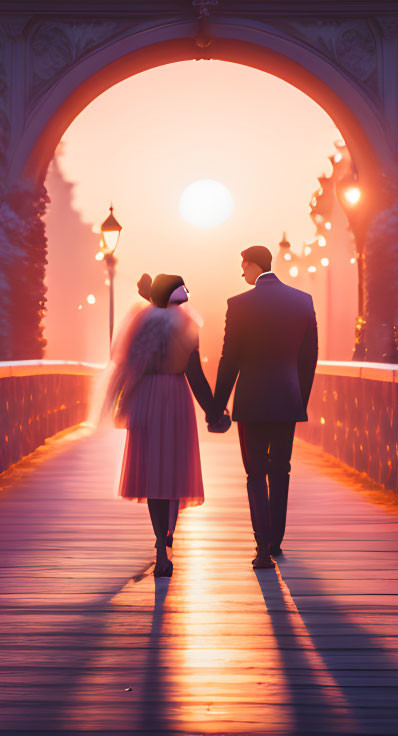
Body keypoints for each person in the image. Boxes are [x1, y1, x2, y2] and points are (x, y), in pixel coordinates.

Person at [103, 272, 224, 577]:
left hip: (147, 398)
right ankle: (169, 539)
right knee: (174, 472)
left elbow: (127, 365)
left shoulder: (141, 322)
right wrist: (212, 410)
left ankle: (158, 540)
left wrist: (121, 401)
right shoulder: (185, 324)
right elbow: (195, 373)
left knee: (153, 473)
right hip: (176, 397)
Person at [211, 245, 318, 569]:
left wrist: (217, 407)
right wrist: (300, 398)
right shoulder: (302, 301)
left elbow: (229, 359)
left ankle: (261, 546)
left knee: (255, 473)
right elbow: (309, 358)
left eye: (242, 266)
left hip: (253, 401)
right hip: (287, 399)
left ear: (253, 265)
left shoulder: (238, 305)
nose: (241, 272)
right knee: (280, 469)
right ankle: (276, 540)